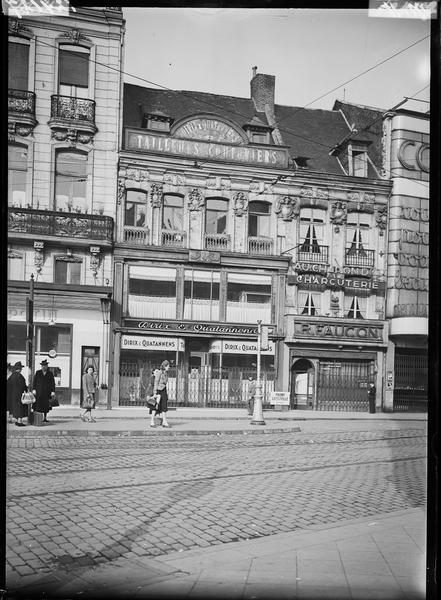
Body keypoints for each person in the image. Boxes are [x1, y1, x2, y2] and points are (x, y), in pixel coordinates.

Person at [7, 361, 28, 427]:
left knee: (15, 408)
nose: (21, 369)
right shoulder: (20, 376)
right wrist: (26, 390)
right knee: (20, 408)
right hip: (19, 395)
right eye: (21, 368)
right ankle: (19, 422)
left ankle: (17, 421)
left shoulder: (11, 376)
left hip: (12, 395)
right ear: (19, 368)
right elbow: (23, 385)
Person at [150, 360, 170, 428]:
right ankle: (152, 421)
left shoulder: (166, 373)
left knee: (164, 406)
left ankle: (164, 421)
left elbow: (165, 382)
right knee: (155, 406)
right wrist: (155, 392)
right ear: (164, 366)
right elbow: (156, 382)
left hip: (163, 390)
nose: (169, 367)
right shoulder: (159, 373)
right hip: (158, 390)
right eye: (168, 366)